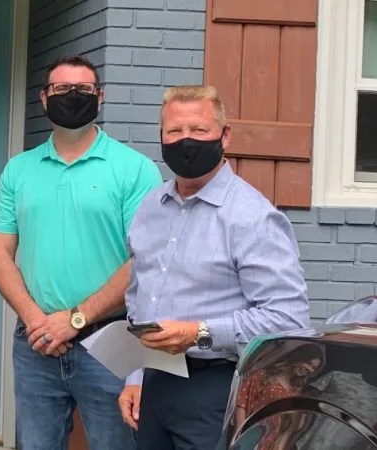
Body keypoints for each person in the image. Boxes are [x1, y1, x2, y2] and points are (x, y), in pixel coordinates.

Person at [116, 85, 311, 450]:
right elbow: (138, 296)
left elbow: (288, 319)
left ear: (225, 136)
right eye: (174, 132)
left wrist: (200, 332)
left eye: (199, 130)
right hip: (153, 388)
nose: (185, 141)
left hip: (216, 389)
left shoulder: (253, 217)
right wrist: (136, 376)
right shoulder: (150, 207)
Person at [0, 54, 162, 450]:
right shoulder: (18, 170)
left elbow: (145, 259)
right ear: (45, 99)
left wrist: (77, 318)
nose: (72, 96)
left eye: (83, 89)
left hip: (112, 339)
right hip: (36, 345)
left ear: (99, 97)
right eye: (62, 89)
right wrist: (36, 321)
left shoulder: (134, 169)